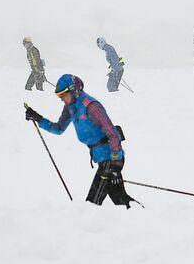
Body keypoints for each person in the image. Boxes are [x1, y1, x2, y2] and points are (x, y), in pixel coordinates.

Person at [24, 74, 135, 208]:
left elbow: (113, 134)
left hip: (110, 159)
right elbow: (58, 128)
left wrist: (116, 164)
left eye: (63, 95)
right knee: (121, 201)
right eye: (59, 96)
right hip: (102, 159)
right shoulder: (71, 107)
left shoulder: (91, 106)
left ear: (73, 90)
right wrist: (38, 118)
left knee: (92, 204)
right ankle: (141, 215)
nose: (61, 99)